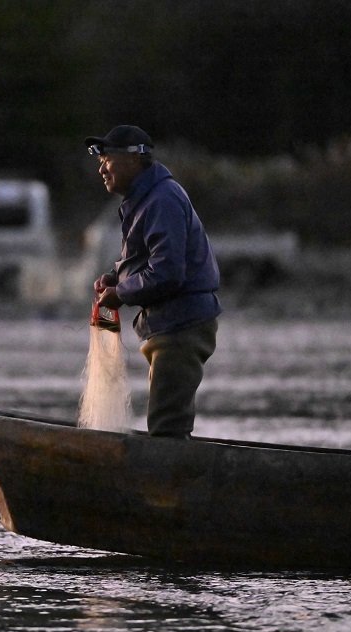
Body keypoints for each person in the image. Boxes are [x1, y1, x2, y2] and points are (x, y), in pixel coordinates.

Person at [87, 125, 221, 438]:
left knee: (167, 428)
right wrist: (117, 277)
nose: (101, 168)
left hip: (181, 327)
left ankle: (172, 484)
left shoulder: (161, 200)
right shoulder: (144, 199)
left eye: (107, 159)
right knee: (166, 423)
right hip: (170, 326)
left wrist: (121, 293)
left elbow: (168, 272)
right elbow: (149, 260)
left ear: (134, 160)